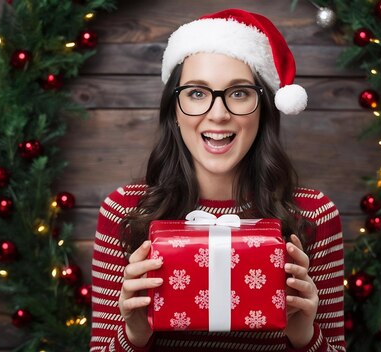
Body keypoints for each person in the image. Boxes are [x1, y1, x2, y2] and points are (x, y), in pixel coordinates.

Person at [90, 9, 345, 352]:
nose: (218, 113)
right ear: (174, 110)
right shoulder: (125, 210)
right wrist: (134, 333)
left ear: (264, 109)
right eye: (197, 93)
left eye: (239, 93)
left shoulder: (313, 214)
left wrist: (304, 335)